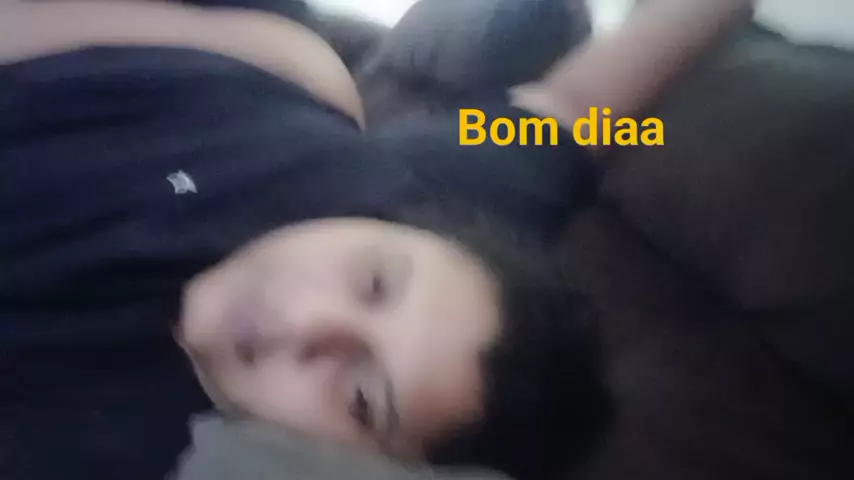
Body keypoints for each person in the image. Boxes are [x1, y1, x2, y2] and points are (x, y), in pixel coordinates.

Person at [0, 0, 755, 479]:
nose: (303, 320)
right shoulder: (454, 202)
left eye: (362, 400)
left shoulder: (103, 441)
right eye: (374, 283)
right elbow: (575, 109)